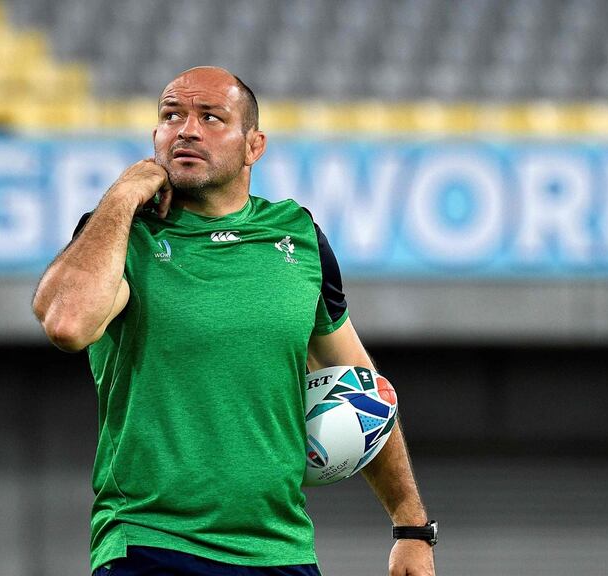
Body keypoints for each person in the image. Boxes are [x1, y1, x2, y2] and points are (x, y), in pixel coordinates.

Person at [32, 66, 436, 576]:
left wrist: (411, 526)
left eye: (211, 117)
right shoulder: (123, 237)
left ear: (254, 145)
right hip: (151, 545)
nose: (187, 129)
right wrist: (121, 196)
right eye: (171, 115)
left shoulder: (300, 237)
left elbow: (366, 392)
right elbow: (67, 323)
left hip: (281, 551)